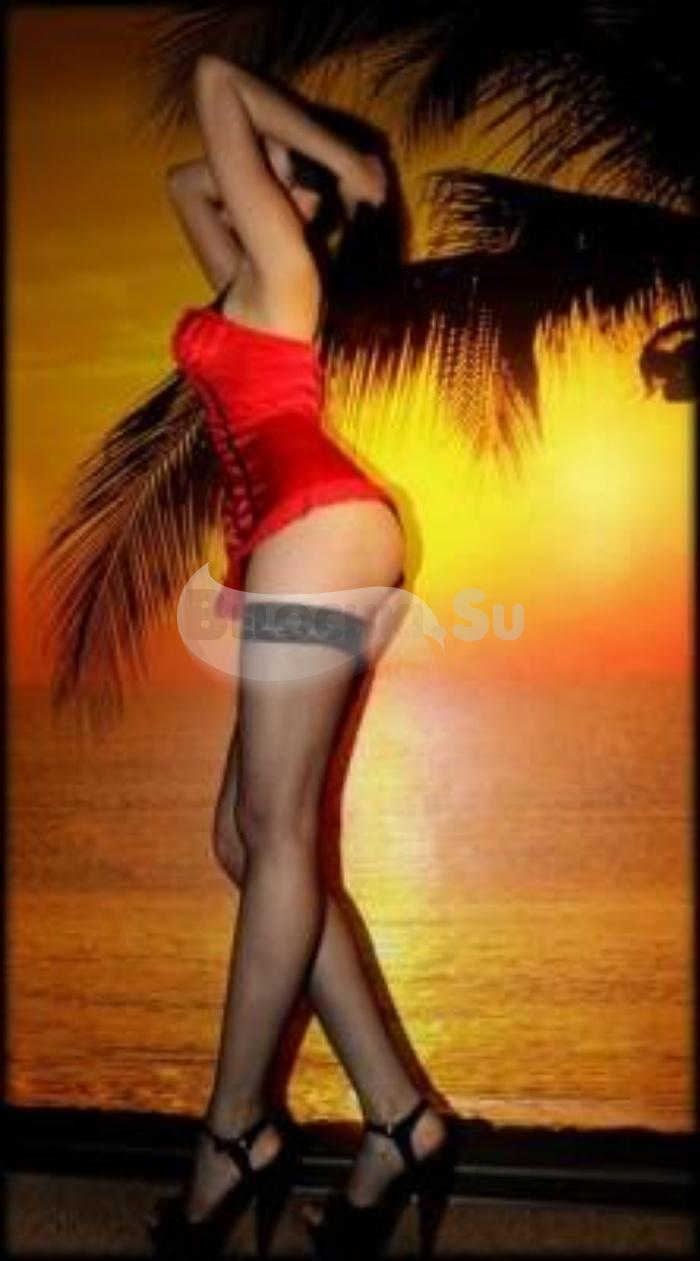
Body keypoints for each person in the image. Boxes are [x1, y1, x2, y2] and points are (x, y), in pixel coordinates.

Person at [148, 53, 457, 1260]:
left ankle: (233, 1132)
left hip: (315, 528)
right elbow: (188, 176)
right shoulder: (248, 275)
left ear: (302, 208)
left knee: (274, 836)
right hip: (297, 539)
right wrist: (297, 162)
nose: (247, 173)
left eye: (276, 175)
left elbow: (213, 77)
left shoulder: (285, 269)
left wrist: (341, 161)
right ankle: (401, 1117)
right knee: (247, 840)